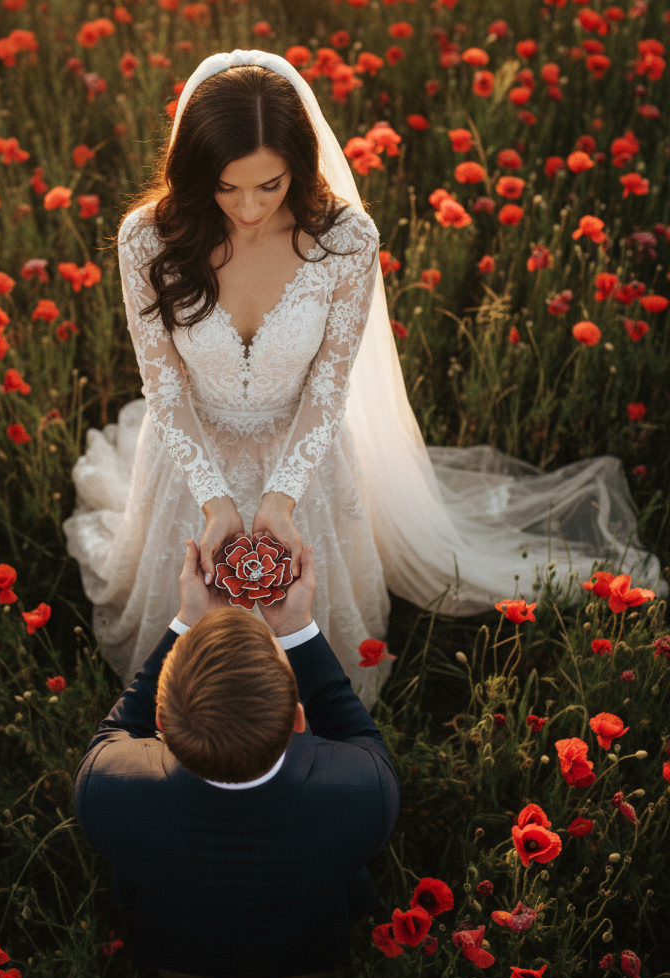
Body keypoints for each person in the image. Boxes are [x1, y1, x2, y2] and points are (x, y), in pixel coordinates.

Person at [64, 49, 661, 703]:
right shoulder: (146, 238)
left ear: (301, 164)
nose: (249, 207)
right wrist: (213, 498)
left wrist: (283, 495)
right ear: (193, 171)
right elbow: (165, 387)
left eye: (271, 184)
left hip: (304, 450)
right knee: (192, 661)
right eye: (226, 186)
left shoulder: (346, 240)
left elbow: (327, 388)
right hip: (187, 452)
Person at [73, 538, 400, 978]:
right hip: (303, 921)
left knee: (185, 972)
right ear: (298, 719)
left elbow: (113, 732)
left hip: (178, 922)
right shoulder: (361, 795)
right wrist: (295, 631)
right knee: (304, 965)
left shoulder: (108, 788)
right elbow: (363, 737)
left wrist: (187, 619)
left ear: (161, 719)